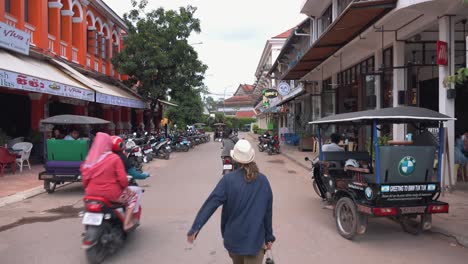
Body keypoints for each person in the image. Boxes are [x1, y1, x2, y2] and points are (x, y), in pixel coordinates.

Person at [187, 140, 275, 264]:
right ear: (251, 157)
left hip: (234, 240)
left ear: (235, 159)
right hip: (255, 241)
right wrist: (269, 237)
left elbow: (211, 203)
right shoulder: (263, 181)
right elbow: (267, 212)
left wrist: (195, 228)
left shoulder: (228, 180)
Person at [81, 132, 143, 231]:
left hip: (91, 194)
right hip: (111, 194)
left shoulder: (90, 159)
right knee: (133, 196)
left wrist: (88, 189)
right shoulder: (114, 158)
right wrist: (125, 187)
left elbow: (85, 179)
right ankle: (127, 223)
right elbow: (123, 180)